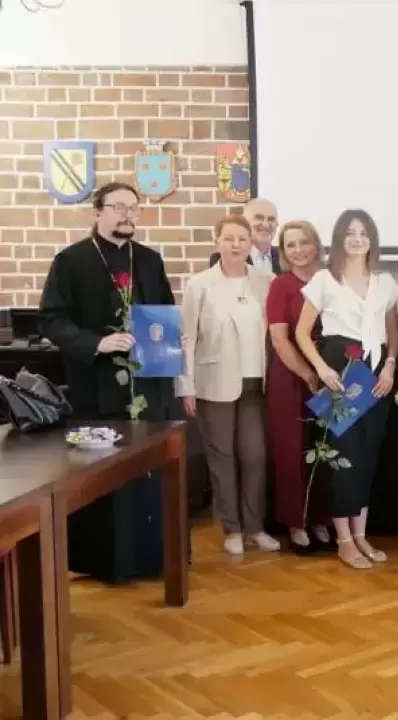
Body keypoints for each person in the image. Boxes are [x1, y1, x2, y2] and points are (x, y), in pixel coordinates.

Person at [38, 182, 177, 582]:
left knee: (147, 472)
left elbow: (163, 313)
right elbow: (52, 319)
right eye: (119, 207)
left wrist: (171, 342)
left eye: (134, 208)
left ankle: (152, 558)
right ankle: (103, 563)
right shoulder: (71, 260)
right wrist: (96, 343)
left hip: (147, 386)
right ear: (98, 211)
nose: (128, 214)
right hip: (96, 385)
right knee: (102, 477)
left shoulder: (149, 259)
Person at [294, 209, 398, 570]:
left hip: (376, 372)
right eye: (350, 233)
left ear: (372, 240)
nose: (357, 239)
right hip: (339, 370)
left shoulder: (385, 282)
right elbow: (301, 332)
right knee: (342, 455)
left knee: (368, 454)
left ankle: (361, 534)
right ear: (340, 239)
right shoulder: (324, 279)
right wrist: (321, 368)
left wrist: (390, 365)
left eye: (364, 233)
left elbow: (392, 330)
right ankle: (343, 540)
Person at [178, 215, 278, 556]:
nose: (236, 245)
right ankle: (232, 529)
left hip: (256, 382)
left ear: (251, 244)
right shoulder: (200, 284)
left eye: (242, 239)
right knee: (222, 457)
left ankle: (255, 527)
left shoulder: (266, 280)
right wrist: (186, 385)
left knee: (255, 455)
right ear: (217, 241)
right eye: (229, 238)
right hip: (213, 381)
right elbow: (187, 338)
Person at [265, 220, 332, 554]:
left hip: (329, 375)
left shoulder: (329, 279)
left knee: (324, 449)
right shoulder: (281, 285)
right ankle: (296, 522)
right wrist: (308, 374)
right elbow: (280, 339)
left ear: (316, 244)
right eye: (290, 245)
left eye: (304, 242)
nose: (299, 250)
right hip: (292, 376)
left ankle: (320, 518)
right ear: (283, 251)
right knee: (292, 451)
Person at [210, 198, 281, 274]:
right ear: (244, 222)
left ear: (277, 225)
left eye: (271, 219)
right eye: (259, 218)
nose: (265, 225)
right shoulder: (224, 256)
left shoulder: (285, 256)